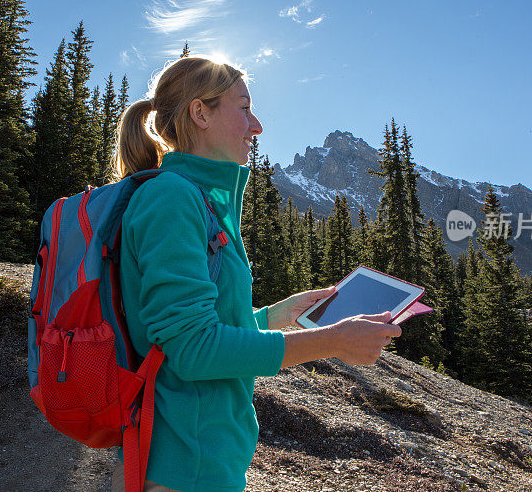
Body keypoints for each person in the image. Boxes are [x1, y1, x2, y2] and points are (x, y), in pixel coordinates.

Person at [110, 56, 401, 492]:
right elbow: (193, 349)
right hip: (182, 467)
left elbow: (197, 326)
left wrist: (274, 316)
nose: (257, 125)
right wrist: (334, 340)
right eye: (244, 107)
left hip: (204, 461)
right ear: (200, 113)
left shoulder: (200, 198)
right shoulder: (172, 198)